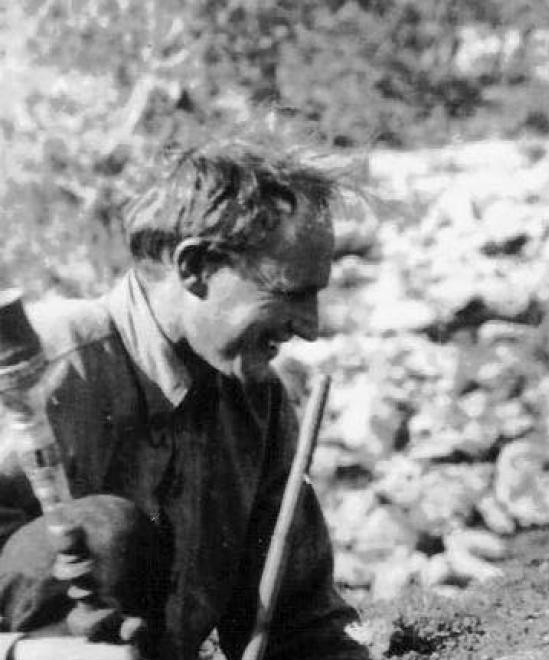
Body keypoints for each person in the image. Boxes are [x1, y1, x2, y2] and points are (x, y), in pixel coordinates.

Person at [0, 144, 368, 659]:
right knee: (106, 534)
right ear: (195, 267)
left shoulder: (255, 401)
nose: (311, 327)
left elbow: (300, 627)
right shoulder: (43, 371)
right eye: (290, 292)